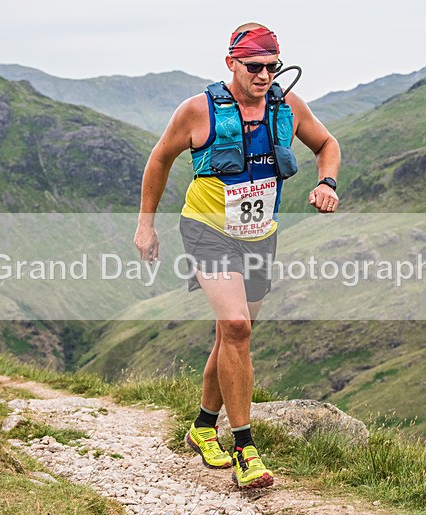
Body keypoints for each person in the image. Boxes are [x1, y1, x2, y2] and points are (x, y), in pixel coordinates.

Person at [134, 22, 340, 489]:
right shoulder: (197, 111)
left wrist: (326, 182)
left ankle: (202, 427)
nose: (265, 75)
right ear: (231, 63)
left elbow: (328, 145)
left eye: (272, 67)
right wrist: (145, 225)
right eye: (254, 67)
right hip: (207, 229)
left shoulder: (288, 107)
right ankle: (245, 447)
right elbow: (159, 159)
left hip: (259, 235)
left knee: (233, 338)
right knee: (236, 327)